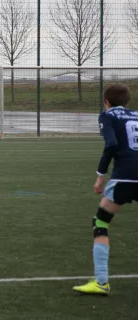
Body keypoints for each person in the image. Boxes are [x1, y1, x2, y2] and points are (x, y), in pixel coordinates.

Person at [73, 84, 138, 295]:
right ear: (128, 102)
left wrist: (100, 177)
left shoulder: (108, 116)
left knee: (100, 221)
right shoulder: (136, 115)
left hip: (125, 178)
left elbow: (110, 144)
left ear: (106, 101)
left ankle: (101, 282)